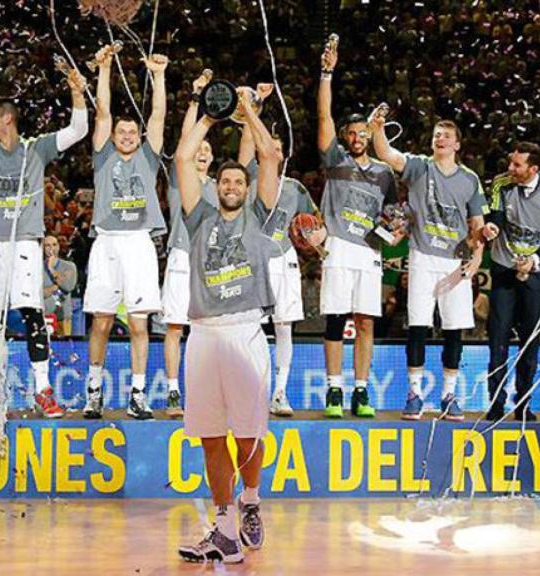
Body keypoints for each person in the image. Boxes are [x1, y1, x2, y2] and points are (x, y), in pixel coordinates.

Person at [174, 88, 279, 565]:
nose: (233, 185)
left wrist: (249, 111)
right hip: (203, 334)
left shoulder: (258, 216)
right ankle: (222, 530)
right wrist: (212, 116)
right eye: (227, 181)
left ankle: (250, 500)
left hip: (244, 330)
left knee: (247, 434)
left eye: (239, 179)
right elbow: (180, 156)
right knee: (211, 437)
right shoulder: (198, 221)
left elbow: (270, 153)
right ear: (217, 187)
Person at [0, 66, 88, 419]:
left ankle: (43, 389)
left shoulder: (35, 149)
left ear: (7, 119)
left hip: (25, 242)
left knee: (32, 314)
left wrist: (76, 91)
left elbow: (79, 130)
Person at [372, 114, 488, 421]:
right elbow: (385, 154)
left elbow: (477, 225)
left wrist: (475, 261)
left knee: (454, 329)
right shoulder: (420, 166)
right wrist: (379, 128)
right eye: (437, 134)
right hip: (422, 256)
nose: (440, 139)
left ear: (457, 144)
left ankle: (449, 395)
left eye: (446, 136)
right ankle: (414, 395)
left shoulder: (470, 179)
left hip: (454, 262)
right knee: (419, 326)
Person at [82, 46, 169, 420]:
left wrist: (159, 76)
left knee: (139, 322)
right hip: (106, 242)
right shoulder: (103, 157)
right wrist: (103, 70)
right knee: (101, 319)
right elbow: (101, 112)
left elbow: (160, 115)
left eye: (134, 131)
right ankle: (94, 392)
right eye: (123, 131)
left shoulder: (149, 158)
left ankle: (137, 395)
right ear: (114, 136)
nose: (129, 135)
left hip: (138, 244)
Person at [315, 42, 400, 419]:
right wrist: (327, 74)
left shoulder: (384, 172)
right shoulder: (335, 160)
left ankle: (361, 391)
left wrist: (391, 235)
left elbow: (395, 213)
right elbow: (323, 118)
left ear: (370, 135)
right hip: (337, 248)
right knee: (336, 320)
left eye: (362, 132)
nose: (356, 137)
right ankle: (335, 390)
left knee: (365, 321)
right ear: (346, 137)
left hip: (369, 254)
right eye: (351, 132)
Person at [238, 103, 317, 418]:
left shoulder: (296, 188)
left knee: (284, 327)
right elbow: (247, 146)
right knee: (248, 329)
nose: (270, 150)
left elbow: (315, 224)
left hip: (285, 260)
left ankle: (279, 392)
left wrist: (316, 237)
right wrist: (249, 109)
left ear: (283, 154)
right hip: (253, 262)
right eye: (265, 145)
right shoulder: (247, 177)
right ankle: (249, 392)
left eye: (275, 147)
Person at [482, 142, 540, 422]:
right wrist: (491, 226)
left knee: (530, 340)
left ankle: (524, 404)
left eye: (517, 165)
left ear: (534, 168)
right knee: (498, 338)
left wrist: (535, 261)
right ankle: (495, 404)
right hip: (504, 267)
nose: (510, 169)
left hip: (536, 272)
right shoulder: (501, 183)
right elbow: (494, 216)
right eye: (510, 162)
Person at [162, 70, 218, 418]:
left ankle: (204, 393)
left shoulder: (219, 186)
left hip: (209, 265)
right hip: (181, 258)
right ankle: (172, 392)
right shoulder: (178, 182)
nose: (201, 151)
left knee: (206, 331)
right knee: (175, 327)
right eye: (198, 147)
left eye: (207, 149)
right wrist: (197, 99)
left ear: (211, 159)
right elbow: (186, 142)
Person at [43, 235, 78, 334]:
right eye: (47, 245)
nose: (51, 248)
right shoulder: (37, 268)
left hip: (63, 317)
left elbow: (68, 286)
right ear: (43, 248)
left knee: (64, 347)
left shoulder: (69, 266)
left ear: (58, 247)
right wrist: (54, 287)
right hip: (44, 316)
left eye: (54, 245)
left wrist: (51, 269)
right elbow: (35, 293)